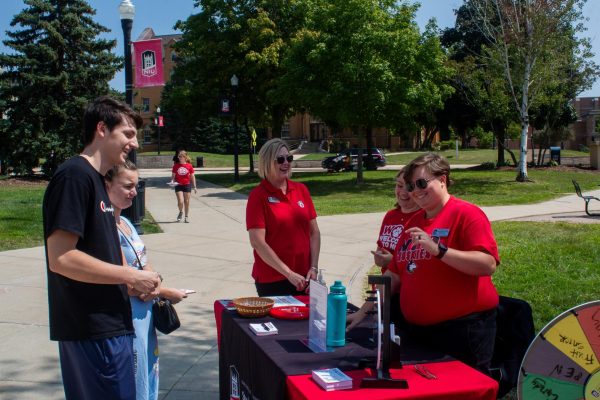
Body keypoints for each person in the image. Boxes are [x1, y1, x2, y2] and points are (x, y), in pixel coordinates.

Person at [43, 96, 162, 399]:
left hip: (110, 326)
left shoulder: (97, 180)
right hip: (92, 330)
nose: (134, 143)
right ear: (101, 129)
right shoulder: (74, 176)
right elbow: (60, 257)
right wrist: (130, 276)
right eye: (128, 134)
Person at [348, 153, 500, 376]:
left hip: (462, 333)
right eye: (410, 186)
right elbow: (394, 275)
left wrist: (439, 250)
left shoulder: (467, 214)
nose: (415, 191)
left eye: (421, 183)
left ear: (443, 180)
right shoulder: (414, 222)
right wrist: (362, 312)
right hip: (420, 334)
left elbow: (487, 265)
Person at [105, 160, 187, 400]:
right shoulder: (108, 228)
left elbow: (146, 268)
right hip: (128, 318)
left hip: (146, 316)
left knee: (150, 375)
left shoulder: (127, 223)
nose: (134, 191)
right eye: (127, 185)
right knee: (136, 380)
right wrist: (165, 292)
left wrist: (156, 282)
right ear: (107, 185)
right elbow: (127, 282)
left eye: (137, 184)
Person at [246, 138, 321, 296]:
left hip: (305, 278)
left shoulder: (301, 190)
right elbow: (257, 242)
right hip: (273, 280)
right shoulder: (258, 196)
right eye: (280, 159)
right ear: (267, 163)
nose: (286, 163)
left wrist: (313, 267)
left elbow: (314, 233)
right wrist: (288, 273)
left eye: (289, 158)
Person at [371, 168, 420, 326]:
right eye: (399, 185)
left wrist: (393, 261)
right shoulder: (391, 215)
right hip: (386, 290)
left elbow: (421, 263)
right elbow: (381, 249)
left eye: (409, 187)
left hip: (407, 295)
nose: (403, 192)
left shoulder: (421, 218)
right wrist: (380, 259)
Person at [170, 150, 197, 223]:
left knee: (187, 201)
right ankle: (181, 211)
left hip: (187, 185)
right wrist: (172, 182)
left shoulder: (189, 166)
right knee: (180, 201)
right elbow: (173, 176)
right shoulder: (176, 166)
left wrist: (194, 186)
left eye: (181, 156)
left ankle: (186, 216)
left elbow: (192, 176)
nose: (180, 158)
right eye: (179, 156)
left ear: (185, 157)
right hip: (178, 185)